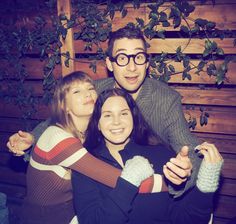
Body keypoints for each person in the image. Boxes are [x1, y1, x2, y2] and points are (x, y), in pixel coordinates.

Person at [7, 25, 200, 196]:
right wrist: (32, 138)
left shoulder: (165, 99)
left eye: (139, 57)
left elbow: (189, 149)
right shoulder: (95, 91)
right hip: (103, 184)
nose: (132, 67)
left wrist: (184, 172)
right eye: (122, 58)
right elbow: (60, 120)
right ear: (110, 64)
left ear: (147, 62)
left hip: (153, 181)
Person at [20, 71, 159, 224]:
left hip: (70, 213)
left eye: (90, 89)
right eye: (77, 91)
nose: (87, 95)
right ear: (64, 106)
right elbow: (119, 179)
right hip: (43, 218)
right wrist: (173, 183)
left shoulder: (87, 135)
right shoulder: (59, 138)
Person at [72, 88, 224, 224]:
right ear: (98, 123)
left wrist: (206, 184)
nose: (116, 122)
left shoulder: (161, 155)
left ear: (133, 118)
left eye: (124, 113)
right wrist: (128, 182)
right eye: (107, 115)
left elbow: (190, 219)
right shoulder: (86, 164)